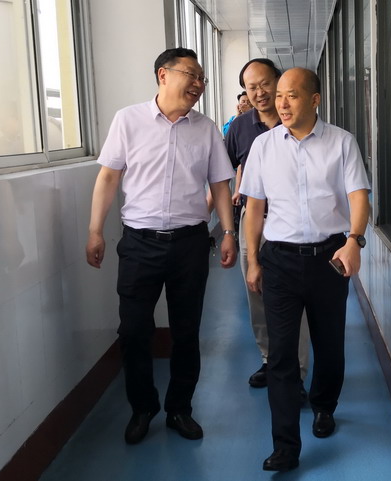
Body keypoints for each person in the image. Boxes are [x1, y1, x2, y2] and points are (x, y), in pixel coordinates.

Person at [85, 47, 237, 445]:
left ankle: (179, 409)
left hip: (189, 244)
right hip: (140, 243)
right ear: (163, 75)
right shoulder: (128, 120)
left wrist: (228, 232)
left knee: (186, 331)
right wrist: (95, 230)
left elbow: (220, 183)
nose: (199, 84)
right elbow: (108, 178)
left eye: (202, 78)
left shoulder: (206, 128)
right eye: (192, 75)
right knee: (134, 330)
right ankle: (143, 407)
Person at [240, 67, 370, 471]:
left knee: (329, 344)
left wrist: (354, 240)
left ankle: (324, 405)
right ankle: (285, 446)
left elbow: (359, 197)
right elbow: (254, 207)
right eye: (279, 95)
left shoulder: (342, 143)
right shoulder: (263, 146)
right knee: (281, 355)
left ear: (315, 100)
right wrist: (253, 259)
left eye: (291, 95)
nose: (281, 103)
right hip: (279, 260)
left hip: (329, 257)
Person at [226, 59, 311, 395]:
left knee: (294, 303)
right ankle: (269, 359)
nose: (260, 92)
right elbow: (222, 171)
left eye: (265, 84)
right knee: (257, 295)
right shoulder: (240, 128)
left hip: (291, 224)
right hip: (254, 222)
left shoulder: (298, 119)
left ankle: (297, 373)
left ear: (278, 81)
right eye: (252, 87)